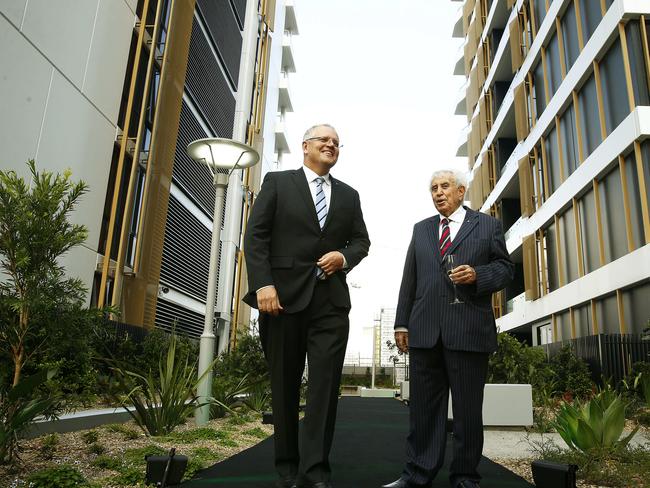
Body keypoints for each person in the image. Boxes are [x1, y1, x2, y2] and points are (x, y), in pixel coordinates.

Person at [243, 124, 370, 488]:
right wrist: (263, 284)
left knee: (324, 388)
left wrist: (343, 258)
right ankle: (287, 468)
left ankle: (315, 472)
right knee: (283, 386)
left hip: (330, 303)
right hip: (281, 301)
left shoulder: (349, 195)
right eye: (323, 140)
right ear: (305, 147)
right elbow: (256, 237)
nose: (331, 144)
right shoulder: (278, 183)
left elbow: (361, 241)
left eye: (336, 142)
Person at [382, 169, 513, 488]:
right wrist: (402, 321)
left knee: (468, 412)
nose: (438, 192)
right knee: (423, 412)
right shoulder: (422, 229)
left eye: (444, 187)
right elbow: (409, 279)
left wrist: (478, 276)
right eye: (433, 188)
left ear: (461, 191)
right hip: (425, 332)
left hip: (468, 331)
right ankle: (416, 474)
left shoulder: (487, 226)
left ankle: (465, 477)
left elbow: (505, 269)